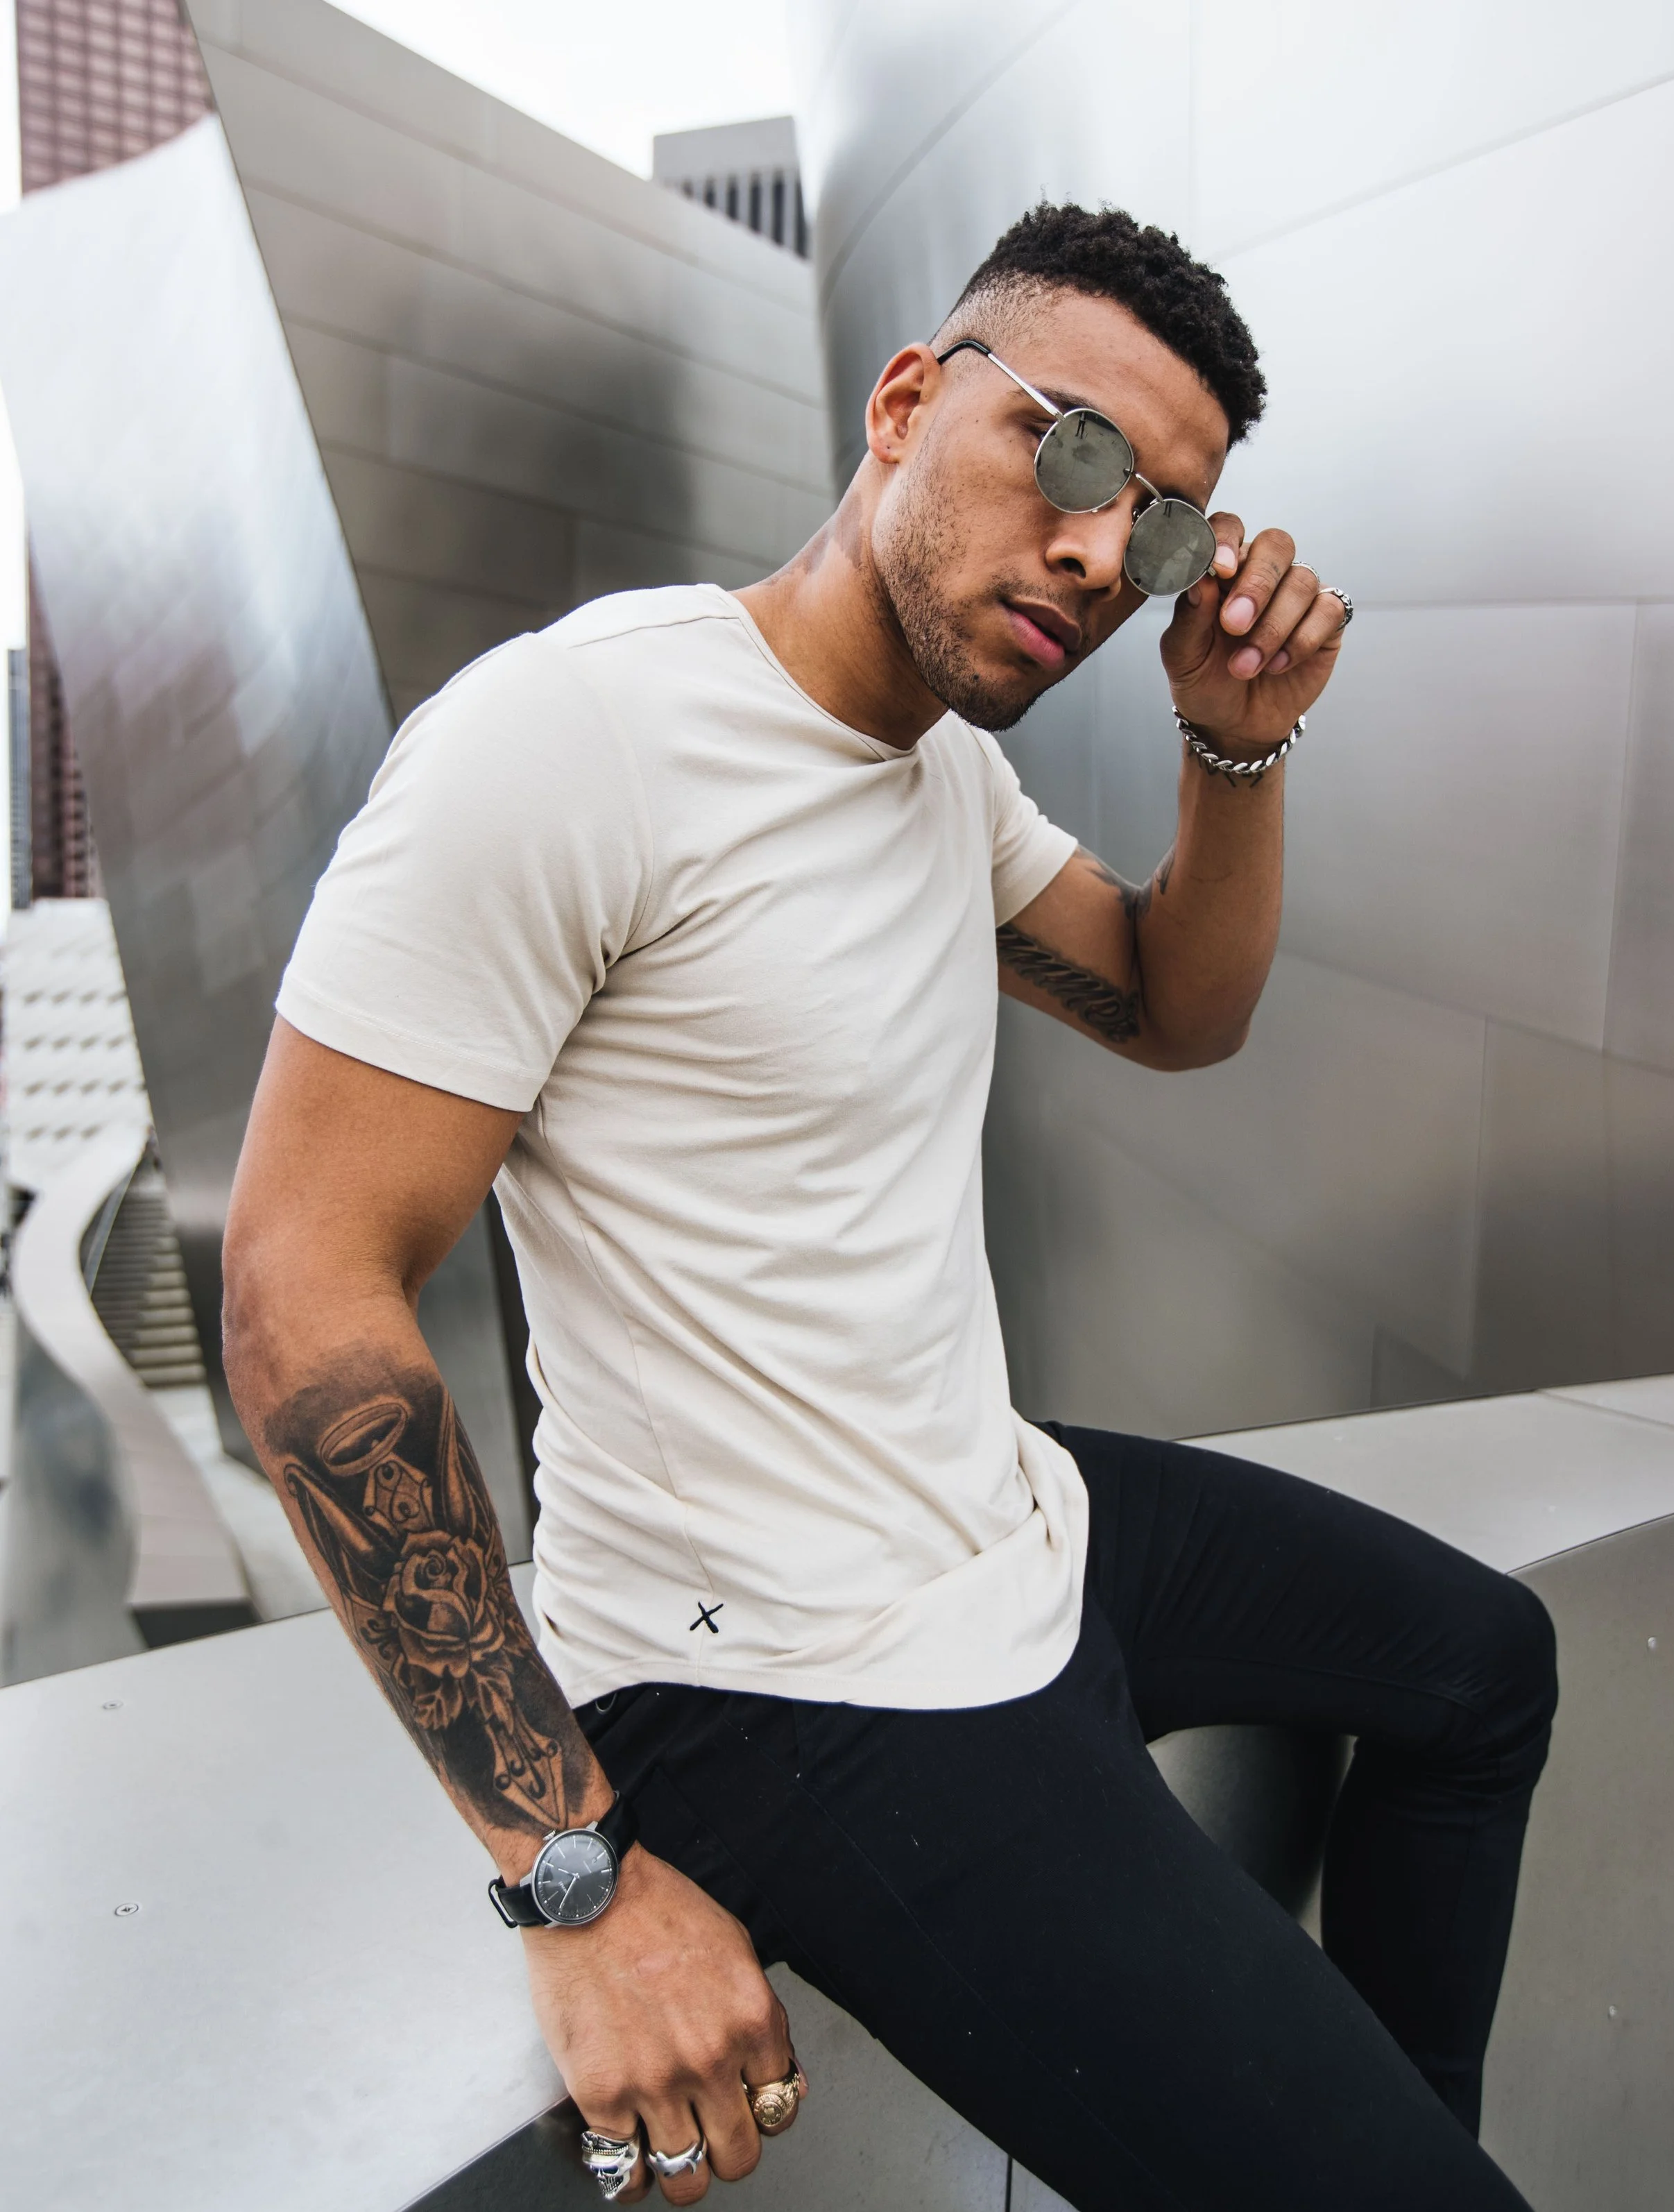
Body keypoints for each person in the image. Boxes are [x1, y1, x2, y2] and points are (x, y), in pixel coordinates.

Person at [223, 203, 1556, 2210]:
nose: (1101, 552)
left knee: (1483, 1664)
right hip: (781, 1674)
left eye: (1164, 528)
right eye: (1072, 452)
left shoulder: (940, 774)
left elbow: (1175, 1010)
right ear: (905, 401)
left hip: (999, 1521)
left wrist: (1236, 751)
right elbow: (300, 1295)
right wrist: (570, 1878)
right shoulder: (571, 738)